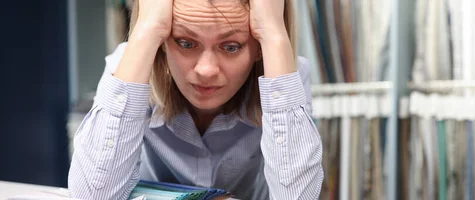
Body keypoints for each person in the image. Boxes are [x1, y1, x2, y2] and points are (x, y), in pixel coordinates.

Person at [67, 0, 323, 199]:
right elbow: (93, 196)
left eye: (231, 47)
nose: (206, 70)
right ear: (163, 42)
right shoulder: (130, 66)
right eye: (186, 43)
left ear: (258, 47)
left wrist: (275, 34)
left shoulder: (285, 75)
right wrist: (146, 31)